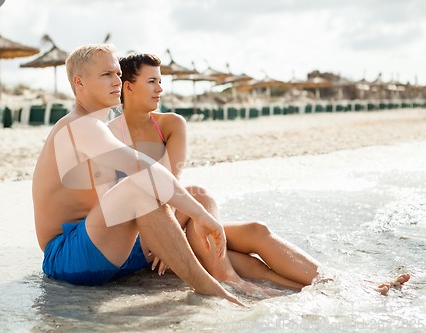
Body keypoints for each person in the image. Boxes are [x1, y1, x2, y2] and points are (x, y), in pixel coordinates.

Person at [109, 52, 411, 296]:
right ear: (128, 86)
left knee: (256, 230)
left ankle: (343, 284)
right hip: (140, 238)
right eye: (152, 82)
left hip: (178, 217)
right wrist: (164, 239)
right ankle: (349, 287)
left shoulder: (171, 124)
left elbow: (173, 181)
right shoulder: (109, 134)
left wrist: (171, 234)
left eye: (161, 81)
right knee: (242, 262)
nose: (160, 89)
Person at [32, 44, 242, 306]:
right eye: (106, 74)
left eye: (118, 74)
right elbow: (141, 168)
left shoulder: (99, 126)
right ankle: (211, 289)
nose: (117, 81)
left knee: (200, 195)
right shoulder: (79, 125)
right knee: (145, 189)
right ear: (79, 82)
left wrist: (190, 219)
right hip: (69, 257)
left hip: (109, 247)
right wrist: (201, 215)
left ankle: (246, 282)